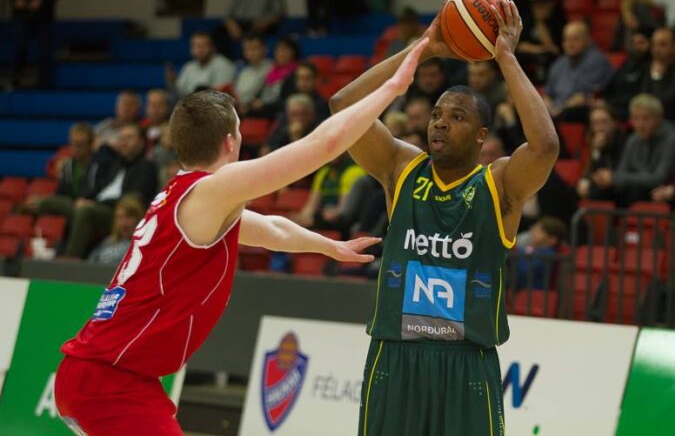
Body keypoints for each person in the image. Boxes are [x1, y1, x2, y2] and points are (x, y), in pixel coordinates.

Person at [54, 38, 429, 436]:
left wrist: (328, 246)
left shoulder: (189, 197)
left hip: (104, 375)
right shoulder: (210, 191)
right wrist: (391, 88)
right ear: (231, 142)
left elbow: (271, 230)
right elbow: (324, 145)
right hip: (110, 381)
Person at [330, 2, 559, 435]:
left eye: (457, 117)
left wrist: (506, 58)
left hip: (466, 361)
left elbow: (545, 146)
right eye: (436, 114)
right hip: (395, 355)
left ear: (481, 136)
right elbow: (343, 105)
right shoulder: (401, 168)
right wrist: (422, 49)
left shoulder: (499, 185)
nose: (439, 123)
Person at [62, 123, 160, 258]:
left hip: (117, 212)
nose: (124, 142)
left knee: (84, 211)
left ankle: (70, 260)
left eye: (129, 138)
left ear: (141, 142)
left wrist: (95, 204)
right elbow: (97, 187)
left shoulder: (146, 166)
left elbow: (135, 198)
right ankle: (56, 253)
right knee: (72, 207)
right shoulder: (115, 163)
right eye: (122, 138)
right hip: (98, 205)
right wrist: (85, 200)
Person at [592, 94, 675, 206]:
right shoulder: (633, 139)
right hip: (635, 189)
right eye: (635, 118)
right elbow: (621, 172)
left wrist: (615, 178)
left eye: (645, 118)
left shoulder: (672, 139)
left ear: (659, 118)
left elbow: (659, 178)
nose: (640, 124)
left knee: (632, 192)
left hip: (660, 193)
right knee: (597, 191)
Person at [543, 21, 613, 122]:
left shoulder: (597, 61)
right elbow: (547, 94)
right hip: (556, 110)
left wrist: (559, 109)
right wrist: (546, 109)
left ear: (588, 40)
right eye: (566, 39)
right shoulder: (559, 63)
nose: (570, 44)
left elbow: (584, 97)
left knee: (570, 113)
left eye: (575, 39)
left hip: (577, 110)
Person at [7, 0, 68, 88]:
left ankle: (44, 84)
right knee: (21, 46)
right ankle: (15, 79)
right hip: (22, 13)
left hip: (44, 14)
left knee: (45, 50)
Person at [212, 0, 286, 60]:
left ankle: (250, 60)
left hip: (264, 23)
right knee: (218, 32)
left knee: (253, 34)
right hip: (242, 22)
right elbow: (228, 13)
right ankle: (228, 61)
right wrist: (231, 24)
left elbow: (279, 13)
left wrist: (265, 22)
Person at [31, 123, 93, 218]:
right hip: (71, 205)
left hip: (88, 206)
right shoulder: (68, 166)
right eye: (73, 143)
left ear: (90, 145)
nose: (76, 148)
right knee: (36, 203)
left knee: (44, 203)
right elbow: (61, 192)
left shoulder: (97, 165)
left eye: (80, 144)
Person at [640, 27, 675, 121]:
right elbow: (644, 97)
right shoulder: (652, 65)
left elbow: (665, 104)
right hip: (656, 120)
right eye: (654, 44)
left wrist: (657, 77)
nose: (656, 49)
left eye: (662, 44)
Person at [577, 105, 627, 201]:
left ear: (614, 123)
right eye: (595, 124)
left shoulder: (623, 141)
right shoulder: (592, 141)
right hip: (599, 183)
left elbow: (618, 170)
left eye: (604, 122)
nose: (600, 128)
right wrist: (597, 150)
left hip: (617, 186)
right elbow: (590, 169)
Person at [168, 31, 236, 99]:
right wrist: (172, 82)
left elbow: (223, 95)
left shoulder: (223, 64)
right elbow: (179, 93)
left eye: (203, 45)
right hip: (190, 103)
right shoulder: (189, 66)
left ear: (213, 47)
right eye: (196, 46)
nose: (200, 50)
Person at [88, 195, 145, 265]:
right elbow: (90, 263)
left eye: (128, 217)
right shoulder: (108, 242)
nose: (123, 223)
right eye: (120, 217)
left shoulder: (142, 247)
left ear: (138, 219)